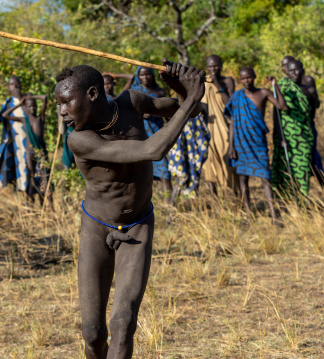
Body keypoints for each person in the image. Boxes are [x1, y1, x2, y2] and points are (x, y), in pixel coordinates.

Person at [55, 60, 205, 358]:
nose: (61, 112)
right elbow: (152, 150)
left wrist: (181, 91)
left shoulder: (133, 101)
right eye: (58, 104)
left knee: (123, 325)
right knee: (93, 336)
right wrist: (190, 98)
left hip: (137, 225)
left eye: (66, 102)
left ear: (93, 94)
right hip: (96, 227)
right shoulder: (79, 139)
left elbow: (192, 111)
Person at [225, 67, 287, 223]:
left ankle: (273, 214)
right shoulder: (237, 97)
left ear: (254, 77)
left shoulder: (264, 93)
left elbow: (282, 106)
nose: (246, 81)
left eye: (249, 78)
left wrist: (276, 86)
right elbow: (232, 121)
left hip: (258, 143)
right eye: (243, 78)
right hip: (241, 143)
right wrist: (231, 146)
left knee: (265, 177)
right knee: (243, 179)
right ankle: (248, 214)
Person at [111, 67, 172, 196]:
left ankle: (170, 206)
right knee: (140, 168)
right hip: (139, 133)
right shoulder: (133, 92)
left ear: (152, 75)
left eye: (148, 74)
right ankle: (142, 200)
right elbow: (125, 110)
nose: (145, 77)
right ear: (138, 76)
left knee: (164, 168)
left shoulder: (160, 91)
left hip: (157, 132)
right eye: (141, 74)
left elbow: (167, 112)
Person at [272, 60, 318, 197]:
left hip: (304, 137)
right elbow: (277, 113)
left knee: (303, 168)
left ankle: (303, 200)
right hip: (286, 136)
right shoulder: (282, 88)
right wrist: (280, 135)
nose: (294, 73)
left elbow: (311, 114)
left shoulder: (309, 90)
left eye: (296, 70)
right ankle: (287, 200)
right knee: (286, 168)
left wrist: (303, 129)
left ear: (303, 70)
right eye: (290, 71)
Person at [1, 94, 52, 205]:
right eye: (29, 106)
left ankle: (47, 205)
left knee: (44, 177)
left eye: (34, 106)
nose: (32, 108)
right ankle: (31, 203)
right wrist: (20, 104)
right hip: (29, 153)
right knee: (31, 177)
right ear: (25, 108)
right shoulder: (24, 120)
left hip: (41, 152)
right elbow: (5, 115)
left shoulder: (40, 118)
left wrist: (32, 97)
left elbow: (44, 98)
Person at [200, 54, 237, 195]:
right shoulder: (203, 83)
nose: (213, 69)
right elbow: (201, 106)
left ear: (221, 66)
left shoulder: (228, 81)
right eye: (210, 66)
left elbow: (230, 104)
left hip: (226, 126)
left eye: (216, 65)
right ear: (207, 68)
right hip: (209, 126)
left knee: (226, 156)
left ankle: (235, 193)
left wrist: (217, 84)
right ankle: (215, 199)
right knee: (210, 162)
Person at [0, 76, 29, 194]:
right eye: (11, 84)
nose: (15, 86)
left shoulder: (28, 100)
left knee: (31, 171)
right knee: (17, 171)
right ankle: (22, 205)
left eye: (16, 83)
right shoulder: (8, 103)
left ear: (20, 84)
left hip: (29, 142)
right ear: (9, 88)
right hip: (14, 144)